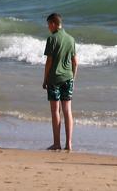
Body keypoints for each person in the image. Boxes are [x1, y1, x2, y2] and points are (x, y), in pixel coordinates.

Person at [42, 13, 77, 151]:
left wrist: (45, 79)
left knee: (55, 111)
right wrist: (73, 78)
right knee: (67, 110)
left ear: (53, 24)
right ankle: (69, 143)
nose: (48, 28)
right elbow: (75, 62)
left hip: (54, 79)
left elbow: (49, 62)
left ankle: (57, 143)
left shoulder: (52, 39)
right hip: (68, 78)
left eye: (48, 25)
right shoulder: (71, 39)